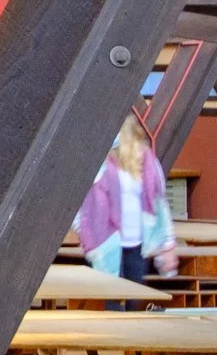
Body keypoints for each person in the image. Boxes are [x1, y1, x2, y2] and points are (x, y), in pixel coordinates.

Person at [74, 112, 180, 288]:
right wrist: (83, 233)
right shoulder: (102, 163)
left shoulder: (148, 162)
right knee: (111, 304)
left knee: (134, 303)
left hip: (137, 246)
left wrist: (167, 245)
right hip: (107, 245)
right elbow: (85, 203)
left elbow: (160, 204)